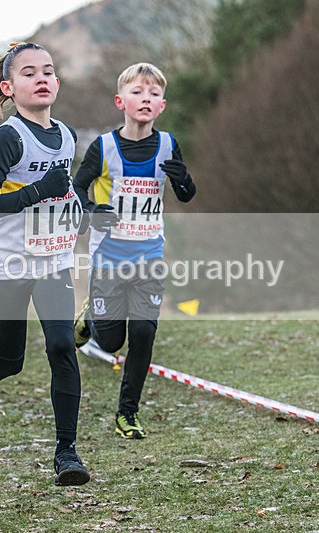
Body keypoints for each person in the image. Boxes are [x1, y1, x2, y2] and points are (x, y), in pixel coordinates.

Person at [0, 42, 90, 486]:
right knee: (10, 360)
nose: (42, 78)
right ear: (9, 87)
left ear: (58, 83)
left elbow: (63, 193)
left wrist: (81, 214)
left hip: (53, 263)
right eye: (29, 73)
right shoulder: (9, 136)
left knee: (62, 347)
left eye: (48, 70)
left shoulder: (67, 136)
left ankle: (67, 453)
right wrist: (37, 191)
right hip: (8, 265)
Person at [72, 62, 197, 440]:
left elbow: (187, 194)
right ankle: (90, 319)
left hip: (149, 257)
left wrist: (183, 180)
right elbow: (76, 191)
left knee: (143, 332)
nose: (145, 99)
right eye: (138, 92)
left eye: (154, 94)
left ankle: (127, 413)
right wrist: (93, 211)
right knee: (110, 342)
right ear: (120, 101)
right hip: (108, 257)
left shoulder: (168, 144)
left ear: (162, 105)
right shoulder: (103, 147)